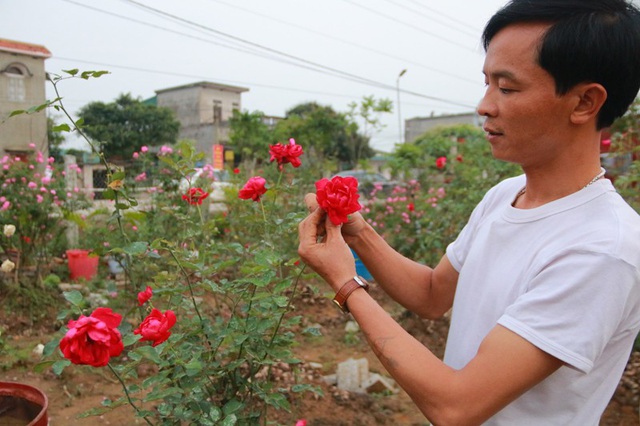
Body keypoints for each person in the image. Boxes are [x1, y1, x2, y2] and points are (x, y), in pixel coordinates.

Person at [297, 0, 640, 424]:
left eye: (507, 88)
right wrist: (356, 231)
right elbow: (431, 295)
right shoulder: (506, 195)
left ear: (585, 102)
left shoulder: (603, 249)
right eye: (487, 83)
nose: (484, 105)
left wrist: (345, 283)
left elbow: (457, 405)